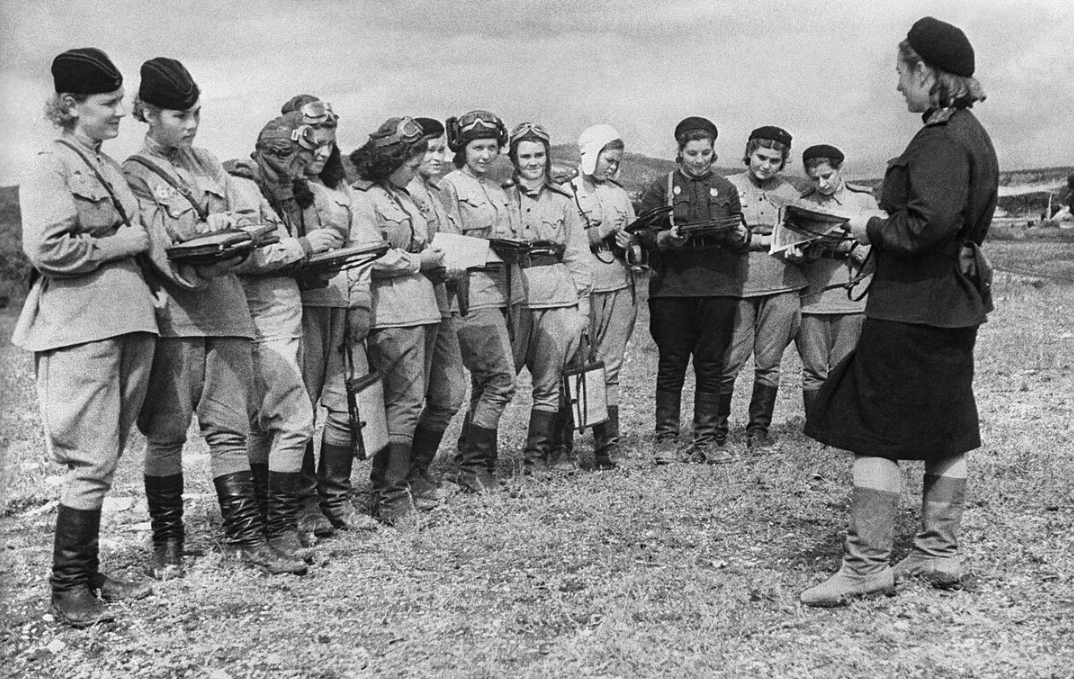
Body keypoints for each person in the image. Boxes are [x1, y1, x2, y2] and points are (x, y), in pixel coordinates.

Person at [801, 16, 998, 606]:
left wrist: (869, 225)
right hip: (954, 304)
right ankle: (939, 551)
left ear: (927, 73)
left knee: (875, 431)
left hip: (912, 306)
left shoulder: (938, 140)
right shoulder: (972, 133)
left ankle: (866, 566)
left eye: (901, 73)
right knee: (945, 427)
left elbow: (926, 225)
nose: (897, 86)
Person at [124, 58, 306, 579]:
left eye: (196, 113)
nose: (191, 125)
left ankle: (249, 541)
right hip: (178, 316)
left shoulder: (208, 163)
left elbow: (250, 221)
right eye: (179, 115)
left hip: (228, 311)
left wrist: (231, 225)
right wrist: (211, 231)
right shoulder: (135, 174)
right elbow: (160, 248)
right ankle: (168, 543)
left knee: (228, 430)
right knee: (167, 432)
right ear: (147, 113)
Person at [12, 48, 157, 627]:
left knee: (108, 455)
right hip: (81, 328)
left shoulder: (107, 164)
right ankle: (68, 585)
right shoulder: (50, 163)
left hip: (129, 320)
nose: (121, 112)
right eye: (110, 103)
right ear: (70, 106)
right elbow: (47, 248)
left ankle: (88, 573)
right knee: (88, 460)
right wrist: (119, 246)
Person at [228, 112, 345, 557]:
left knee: (265, 424)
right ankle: (279, 526)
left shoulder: (275, 191)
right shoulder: (243, 188)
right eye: (297, 159)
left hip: (277, 315)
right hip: (262, 320)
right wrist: (306, 246)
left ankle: (265, 518)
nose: (303, 169)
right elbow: (239, 256)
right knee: (295, 422)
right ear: (277, 155)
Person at [279, 95, 381, 535]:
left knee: (344, 405)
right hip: (298, 307)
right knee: (297, 409)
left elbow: (362, 249)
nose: (322, 152)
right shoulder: (278, 187)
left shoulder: (342, 189)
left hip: (340, 304)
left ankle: (335, 496)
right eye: (314, 143)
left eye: (329, 143)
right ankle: (302, 504)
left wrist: (359, 301)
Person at [636, 116, 750, 465]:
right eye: (692, 153)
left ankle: (706, 439)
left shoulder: (727, 188)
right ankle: (666, 439)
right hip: (671, 289)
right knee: (672, 365)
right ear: (680, 152)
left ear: (714, 153)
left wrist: (739, 235)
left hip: (718, 287)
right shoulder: (661, 186)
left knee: (711, 365)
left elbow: (738, 234)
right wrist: (664, 238)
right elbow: (642, 233)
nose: (699, 160)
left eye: (706, 153)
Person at [349, 117, 443, 523]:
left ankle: (393, 481)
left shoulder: (406, 195)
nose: (417, 168)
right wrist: (418, 261)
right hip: (390, 311)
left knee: (410, 401)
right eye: (410, 161)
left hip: (422, 306)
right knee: (400, 403)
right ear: (389, 159)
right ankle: (390, 494)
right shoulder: (364, 198)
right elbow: (368, 253)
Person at [502, 122, 592, 476]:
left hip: (557, 297)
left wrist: (581, 301)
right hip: (516, 296)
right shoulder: (502, 196)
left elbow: (578, 254)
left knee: (552, 380)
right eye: (525, 156)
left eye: (539, 155)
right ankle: (473, 459)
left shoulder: (564, 202)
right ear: (514, 158)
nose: (533, 162)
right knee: (497, 380)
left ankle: (541, 457)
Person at [438, 110, 519, 491]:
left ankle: (471, 459)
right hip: (470, 295)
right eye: (477, 147)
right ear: (461, 148)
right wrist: (493, 248)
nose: (485, 155)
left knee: (487, 382)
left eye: (491, 147)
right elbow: (448, 248)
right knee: (501, 381)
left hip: (501, 290)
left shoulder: (495, 187)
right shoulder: (450, 187)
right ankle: (473, 466)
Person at [723, 126, 805, 450]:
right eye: (761, 157)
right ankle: (716, 429)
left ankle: (758, 430)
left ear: (783, 161)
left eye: (775, 159)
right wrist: (760, 238)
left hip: (783, 283)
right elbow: (726, 234)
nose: (766, 165)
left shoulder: (791, 192)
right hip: (739, 284)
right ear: (749, 153)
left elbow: (798, 234)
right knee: (730, 357)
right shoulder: (729, 186)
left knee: (770, 362)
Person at [568, 124, 639, 469]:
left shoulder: (620, 194)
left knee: (611, 366)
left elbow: (636, 236)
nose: (613, 167)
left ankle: (606, 445)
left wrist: (631, 247)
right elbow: (566, 243)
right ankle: (561, 442)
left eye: (617, 161)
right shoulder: (567, 192)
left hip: (618, 287)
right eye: (609, 160)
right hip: (580, 290)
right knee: (575, 365)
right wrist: (601, 232)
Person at [406, 116, 467, 504]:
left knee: (450, 391)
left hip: (441, 301)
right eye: (430, 149)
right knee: (407, 398)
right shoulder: (405, 192)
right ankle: (396, 478)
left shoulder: (442, 192)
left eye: (442, 149)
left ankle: (416, 469)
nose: (439, 156)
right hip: (410, 303)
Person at [792, 145, 877, 414]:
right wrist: (801, 252)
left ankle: (842, 426)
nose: (822, 183)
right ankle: (816, 426)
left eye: (828, 176)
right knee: (813, 369)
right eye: (815, 178)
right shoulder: (803, 202)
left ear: (841, 169)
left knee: (844, 367)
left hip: (851, 296)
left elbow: (876, 253)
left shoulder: (863, 200)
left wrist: (847, 247)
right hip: (812, 297)